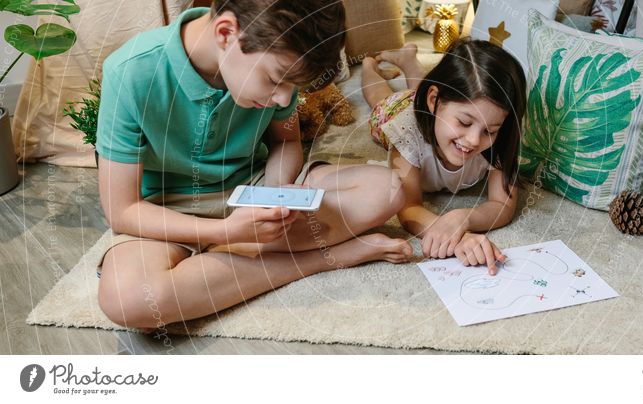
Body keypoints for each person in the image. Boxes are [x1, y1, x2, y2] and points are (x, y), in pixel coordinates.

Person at [95, 0, 411, 330]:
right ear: (226, 33)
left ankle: (221, 263)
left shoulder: (275, 82)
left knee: (387, 190)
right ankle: (319, 260)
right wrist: (225, 231)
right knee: (129, 299)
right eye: (275, 79)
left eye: (293, 86)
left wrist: (275, 194)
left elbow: (286, 141)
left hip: (252, 187)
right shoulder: (131, 71)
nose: (284, 99)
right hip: (165, 211)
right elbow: (122, 210)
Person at [361, 39, 527, 276]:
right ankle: (368, 66)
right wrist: (453, 235)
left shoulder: (500, 134)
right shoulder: (406, 131)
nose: (473, 140)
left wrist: (463, 218)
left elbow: (503, 205)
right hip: (398, 110)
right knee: (379, 96)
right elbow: (408, 208)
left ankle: (409, 61)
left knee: (424, 89)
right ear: (433, 101)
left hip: (433, 103)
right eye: (465, 122)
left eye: (488, 131)